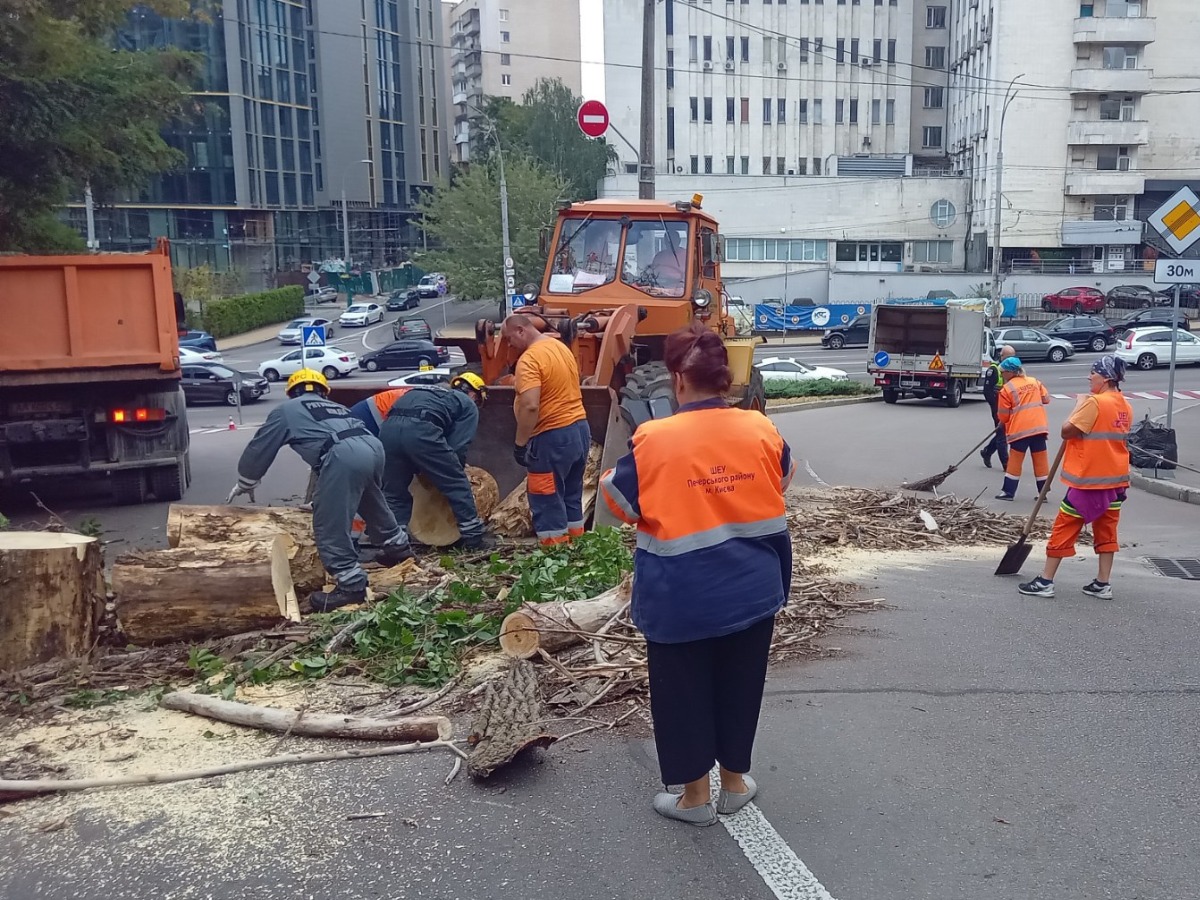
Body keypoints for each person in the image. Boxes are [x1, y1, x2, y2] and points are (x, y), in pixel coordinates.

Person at [599, 324, 795, 827]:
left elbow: (621, 503)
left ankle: (694, 799)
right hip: (754, 587)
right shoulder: (761, 427)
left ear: (678, 379)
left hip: (682, 595)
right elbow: (782, 477)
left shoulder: (654, 438)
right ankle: (733, 785)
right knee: (740, 684)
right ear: (725, 379)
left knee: (682, 692)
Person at [227, 369, 413, 612]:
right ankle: (398, 548)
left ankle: (350, 584)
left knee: (329, 522)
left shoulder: (287, 410)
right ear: (323, 392)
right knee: (371, 501)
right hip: (373, 448)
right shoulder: (336, 408)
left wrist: (246, 480)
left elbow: (260, 446)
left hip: (343, 454)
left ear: (292, 392)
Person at [1019, 357, 1133, 599]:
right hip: (1115, 482)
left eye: (1093, 373)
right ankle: (1103, 584)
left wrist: (1078, 406)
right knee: (1107, 531)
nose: (1089, 377)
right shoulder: (1124, 404)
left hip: (1089, 481)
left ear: (1106, 378)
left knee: (1064, 526)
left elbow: (1067, 430)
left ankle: (1045, 582)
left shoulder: (1094, 403)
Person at [377, 373, 495, 552]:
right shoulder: (467, 403)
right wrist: (455, 469)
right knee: (456, 484)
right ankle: (473, 539)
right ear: (474, 393)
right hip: (421, 430)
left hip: (388, 431)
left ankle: (395, 545)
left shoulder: (426, 391)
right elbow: (458, 446)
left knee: (394, 492)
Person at [503, 315, 591, 547]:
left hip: (552, 434)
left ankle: (556, 556)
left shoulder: (530, 359)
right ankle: (577, 548)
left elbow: (531, 405)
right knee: (571, 494)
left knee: (546, 497)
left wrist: (520, 444)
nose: (509, 345)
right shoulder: (559, 348)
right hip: (579, 429)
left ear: (521, 330)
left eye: (509, 339)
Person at [994, 356, 1051, 500]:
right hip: (1039, 428)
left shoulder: (1007, 389)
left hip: (1021, 431)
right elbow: (1046, 399)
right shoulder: (1034, 382)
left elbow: (1004, 416)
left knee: (1015, 461)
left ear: (1010, 373)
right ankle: (1043, 493)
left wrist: (1002, 421)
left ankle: (1008, 492)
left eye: (1003, 372)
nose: (1001, 375)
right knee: (1040, 460)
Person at [980, 345, 1016, 470]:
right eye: (1008, 357)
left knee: (1003, 433)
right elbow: (987, 391)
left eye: (1012, 357)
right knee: (1002, 435)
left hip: (1010, 408)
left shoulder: (1014, 369)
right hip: (998, 408)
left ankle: (987, 452)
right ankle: (1006, 464)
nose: (1010, 360)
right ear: (1002, 357)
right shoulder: (994, 370)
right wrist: (996, 409)